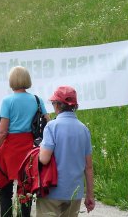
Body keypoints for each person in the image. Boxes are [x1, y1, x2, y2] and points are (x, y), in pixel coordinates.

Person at [0, 66, 49, 217]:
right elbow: (47, 122)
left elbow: (2, 132)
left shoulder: (8, 101)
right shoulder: (37, 100)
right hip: (30, 148)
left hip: (10, 149)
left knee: (5, 189)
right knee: (25, 189)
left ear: (12, 81)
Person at [37, 86, 95, 217]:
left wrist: (40, 147)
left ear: (58, 105)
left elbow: (44, 159)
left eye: (53, 103)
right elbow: (89, 167)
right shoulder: (84, 129)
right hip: (75, 192)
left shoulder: (52, 126)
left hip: (52, 190)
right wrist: (90, 195)